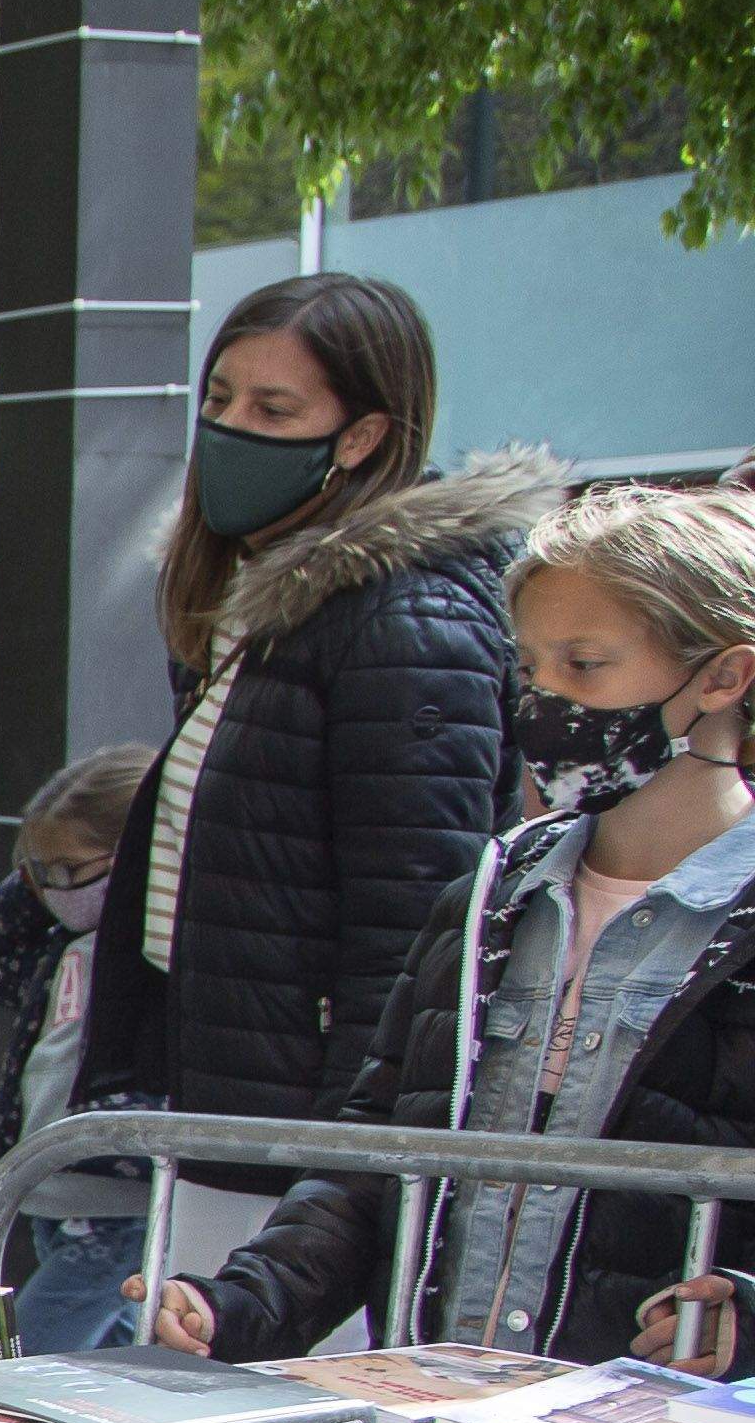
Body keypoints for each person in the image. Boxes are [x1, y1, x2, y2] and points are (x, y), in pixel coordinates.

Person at [140, 485, 755, 1369]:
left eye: (584, 666)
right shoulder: (491, 890)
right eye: (531, 665)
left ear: (724, 677)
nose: (542, 699)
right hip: (445, 1417)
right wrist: (242, 1304)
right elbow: (381, 1149)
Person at [66, 272, 551, 1270]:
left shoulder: (403, 620)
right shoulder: (254, 605)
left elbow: (410, 920)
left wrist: (342, 1169)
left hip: (303, 1154)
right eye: (219, 401)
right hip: (229, 1106)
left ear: (365, 436)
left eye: (273, 409)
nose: (232, 429)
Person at [0, 744, 173, 1350]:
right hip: (51, 1189)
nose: (52, 891)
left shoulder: (160, 956)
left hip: (115, 1199)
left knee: (27, 1345)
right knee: (109, 1346)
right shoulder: (60, 944)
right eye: (37, 874)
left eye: (69, 871)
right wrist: (39, 877)